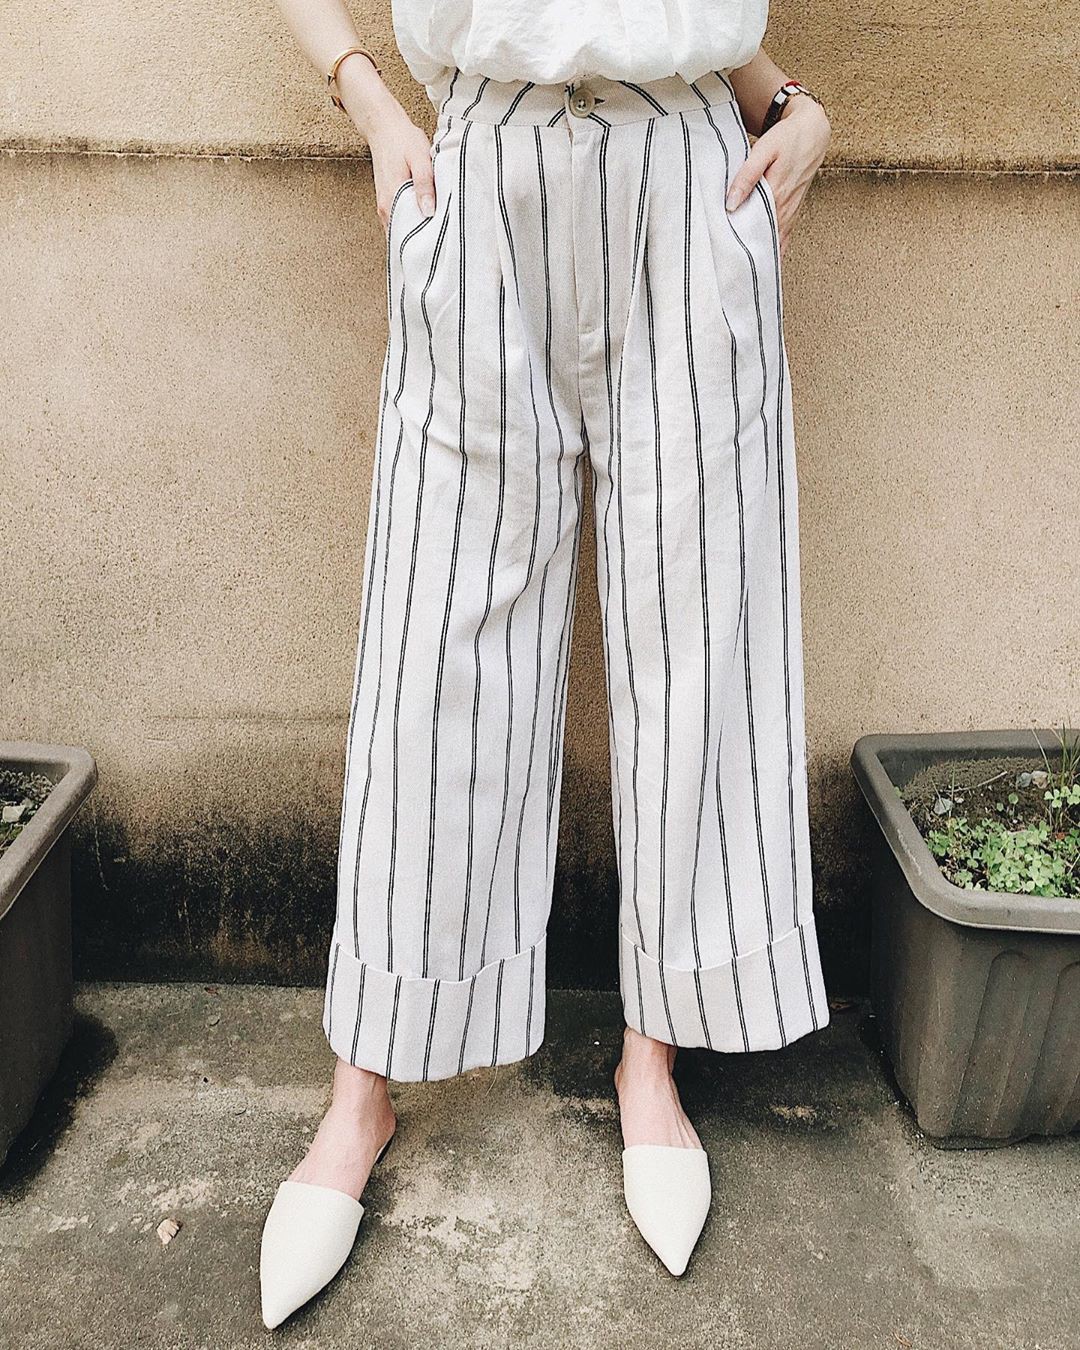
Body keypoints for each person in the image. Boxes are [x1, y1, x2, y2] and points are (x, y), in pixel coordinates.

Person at [262, 0, 832, 1327]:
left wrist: (794, 104)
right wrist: (368, 101)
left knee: (702, 620)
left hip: (691, 168)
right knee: (434, 631)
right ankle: (363, 1086)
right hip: (478, 164)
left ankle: (653, 1054)